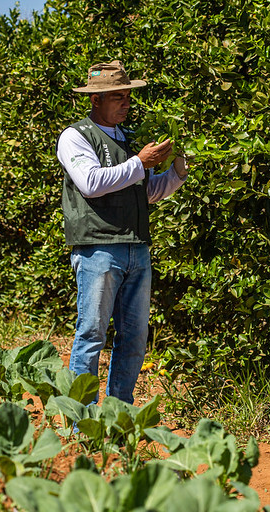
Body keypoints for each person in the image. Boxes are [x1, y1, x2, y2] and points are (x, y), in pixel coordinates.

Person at [56, 60, 189, 404]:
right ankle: (81, 423)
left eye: (127, 95)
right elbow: (91, 183)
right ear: (95, 100)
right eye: (117, 96)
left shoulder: (131, 139)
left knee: (135, 337)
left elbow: (144, 192)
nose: (126, 102)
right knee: (91, 334)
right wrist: (139, 163)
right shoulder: (75, 136)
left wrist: (177, 172)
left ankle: (120, 414)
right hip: (98, 249)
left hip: (137, 249)